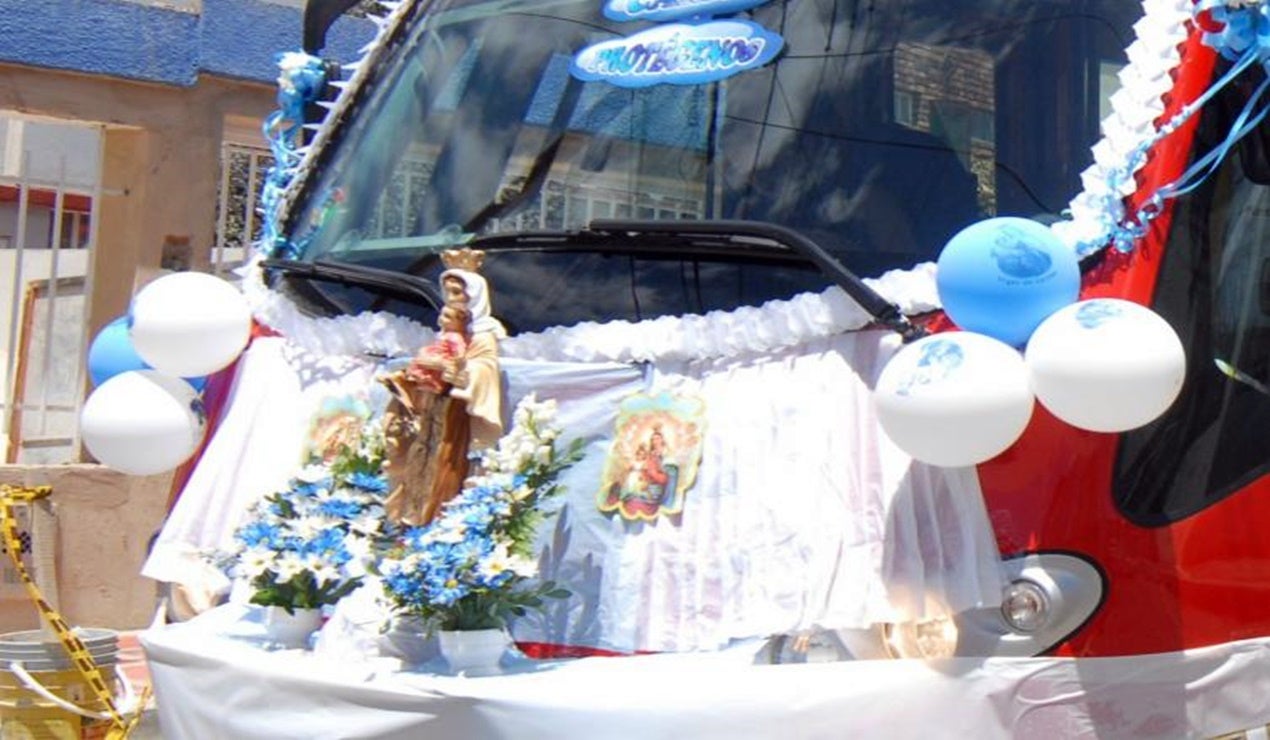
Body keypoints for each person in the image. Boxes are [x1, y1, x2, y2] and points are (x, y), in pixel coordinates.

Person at [381, 251, 505, 525]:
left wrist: (456, 370)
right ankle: (412, 512)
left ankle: (436, 515)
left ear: (474, 296)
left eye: (457, 293)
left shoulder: (483, 334)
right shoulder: (447, 331)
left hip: (456, 412)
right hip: (432, 406)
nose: (451, 299)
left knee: (445, 464)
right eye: (447, 292)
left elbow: (484, 368)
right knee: (420, 457)